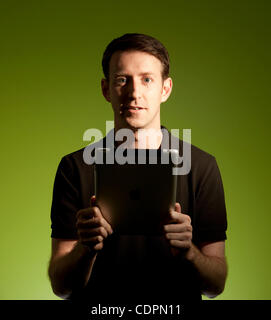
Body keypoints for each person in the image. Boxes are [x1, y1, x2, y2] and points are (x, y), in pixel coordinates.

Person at [48, 33, 228, 302]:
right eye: (122, 80)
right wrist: (86, 249)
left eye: (147, 79)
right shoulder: (75, 167)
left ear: (165, 89)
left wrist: (188, 251)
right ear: (106, 89)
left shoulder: (201, 166)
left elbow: (215, 286)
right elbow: (61, 287)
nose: (134, 93)